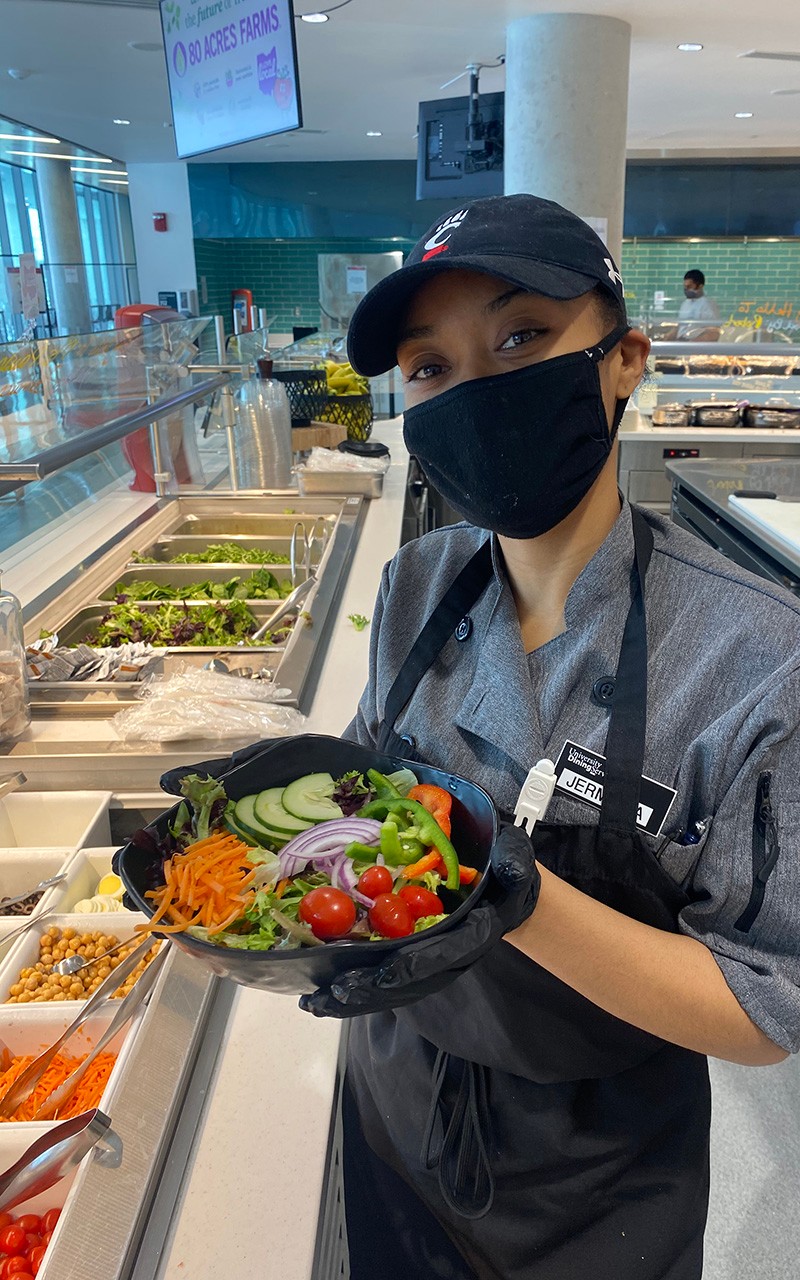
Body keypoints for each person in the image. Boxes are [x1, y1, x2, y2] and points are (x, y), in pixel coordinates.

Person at [298, 194, 800, 1280]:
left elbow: (762, 1003)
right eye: (430, 367)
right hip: (392, 1102)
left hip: (595, 1179)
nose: (472, 392)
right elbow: (365, 785)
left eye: (520, 337)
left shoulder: (751, 655)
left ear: (622, 358)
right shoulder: (414, 585)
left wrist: (513, 899)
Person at [677, 268, 721, 340]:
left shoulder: (708, 305)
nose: (686, 290)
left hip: (696, 347)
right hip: (682, 344)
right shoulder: (685, 303)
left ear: (700, 286)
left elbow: (713, 333)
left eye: (689, 287)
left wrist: (692, 345)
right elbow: (681, 326)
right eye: (685, 286)